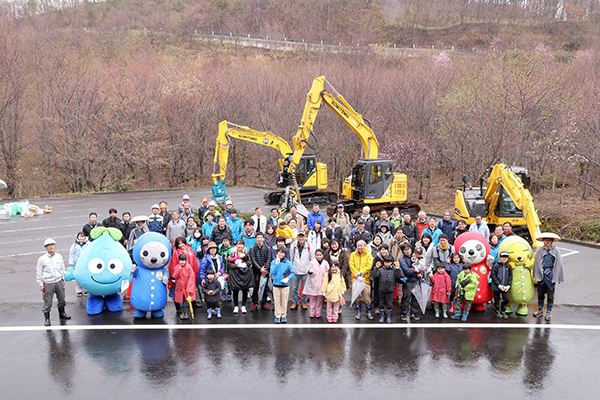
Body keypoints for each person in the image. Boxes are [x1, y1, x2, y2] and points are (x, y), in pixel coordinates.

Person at [37, 238, 70, 326]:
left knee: (62, 299)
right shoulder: (42, 259)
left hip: (58, 280)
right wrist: (41, 284)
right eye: (49, 246)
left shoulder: (59, 256)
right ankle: (47, 318)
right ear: (46, 247)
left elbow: (62, 268)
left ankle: (62, 313)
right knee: (48, 302)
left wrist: (63, 278)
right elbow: (39, 272)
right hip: (48, 282)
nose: (51, 247)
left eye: (52, 245)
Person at [533, 233, 565, 321]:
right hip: (542, 274)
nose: (548, 242)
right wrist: (538, 274)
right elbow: (536, 263)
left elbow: (558, 264)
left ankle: (549, 312)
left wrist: (555, 277)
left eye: (549, 240)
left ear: (552, 241)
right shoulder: (540, 250)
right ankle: (540, 309)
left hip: (551, 274)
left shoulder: (556, 251)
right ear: (544, 241)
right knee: (540, 294)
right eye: (546, 240)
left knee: (550, 295)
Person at [371, 254, 405, 323]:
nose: (387, 264)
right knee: (381, 304)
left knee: (389, 304)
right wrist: (376, 267)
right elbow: (375, 275)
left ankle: (389, 317)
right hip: (381, 289)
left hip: (390, 290)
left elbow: (401, 275)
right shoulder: (380, 270)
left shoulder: (394, 270)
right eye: (386, 262)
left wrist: (398, 268)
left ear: (391, 262)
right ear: (383, 262)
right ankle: (382, 316)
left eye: (389, 262)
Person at [349, 239, 374, 320]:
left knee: (367, 296)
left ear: (365, 246)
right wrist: (356, 274)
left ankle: (368, 311)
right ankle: (358, 311)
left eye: (361, 246)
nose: (360, 247)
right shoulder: (353, 254)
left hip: (365, 279)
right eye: (358, 246)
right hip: (355, 279)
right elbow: (351, 264)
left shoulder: (368, 255)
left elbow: (368, 266)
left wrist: (360, 273)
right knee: (357, 296)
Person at [228, 240, 254, 314]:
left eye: (241, 244)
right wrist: (237, 265)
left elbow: (249, 262)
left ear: (243, 245)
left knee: (245, 290)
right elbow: (230, 264)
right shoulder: (232, 253)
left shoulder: (246, 253)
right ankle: (236, 306)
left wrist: (244, 260)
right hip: (235, 274)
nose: (239, 246)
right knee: (235, 290)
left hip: (245, 274)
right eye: (238, 244)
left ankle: (243, 305)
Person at [270, 246, 295, 324]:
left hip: (285, 285)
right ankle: (277, 315)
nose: (281, 254)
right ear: (277, 253)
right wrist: (276, 264)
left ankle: (284, 315)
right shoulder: (273, 262)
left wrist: (287, 278)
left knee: (284, 300)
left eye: (282, 252)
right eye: (279, 252)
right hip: (276, 285)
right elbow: (272, 272)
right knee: (277, 301)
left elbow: (292, 272)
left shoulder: (287, 263)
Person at [249, 232, 272, 311]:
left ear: (263, 238)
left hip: (265, 271)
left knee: (265, 287)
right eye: (257, 238)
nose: (259, 239)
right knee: (255, 287)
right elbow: (253, 260)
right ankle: (254, 303)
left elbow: (269, 259)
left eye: (260, 237)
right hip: (256, 270)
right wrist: (260, 269)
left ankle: (264, 302)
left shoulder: (268, 248)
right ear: (255, 239)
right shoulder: (252, 249)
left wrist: (265, 269)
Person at [304, 249, 329, 318]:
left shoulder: (325, 263)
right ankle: (312, 312)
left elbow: (328, 271)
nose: (318, 257)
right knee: (312, 298)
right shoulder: (312, 262)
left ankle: (318, 312)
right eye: (317, 255)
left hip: (321, 283)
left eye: (320, 255)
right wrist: (309, 271)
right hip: (313, 283)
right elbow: (307, 270)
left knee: (320, 299)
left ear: (323, 255)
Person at [398, 244, 421, 321]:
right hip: (408, 281)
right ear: (403, 251)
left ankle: (414, 312)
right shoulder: (402, 260)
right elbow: (406, 271)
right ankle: (404, 312)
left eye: (409, 249)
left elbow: (421, 267)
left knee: (416, 298)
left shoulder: (416, 257)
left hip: (416, 281)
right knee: (406, 298)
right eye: (405, 249)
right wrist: (416, 273)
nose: (408, 251)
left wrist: (417, 271)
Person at [290, 231, 311, 310]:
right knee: (294, 287)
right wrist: (292, 268)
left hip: (305, 270)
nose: (301, 238)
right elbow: (291, 258)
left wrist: (310, 269)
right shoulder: (293, 246)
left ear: (305, 237)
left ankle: (303, 301)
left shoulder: (308, 246)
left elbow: (311, 258)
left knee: (305, 288)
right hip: (296, 270)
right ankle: (294, 302)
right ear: (297, 237)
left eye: (302, 237)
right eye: (299, 237)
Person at [172, 253, 196, 320]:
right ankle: (182, 313)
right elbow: (174, 276)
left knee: (187, 301)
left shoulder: (188, 267)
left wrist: (189, 287)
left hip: (186, 288)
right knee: (181, 301)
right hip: (179, 288)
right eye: (181, 260)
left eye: (183, 260)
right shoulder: (177, 267)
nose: (182, 262)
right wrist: (178, 269)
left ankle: (186, 313)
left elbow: (191, 277)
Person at [491, 251, 512, 319]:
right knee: (496, 299)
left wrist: (508, 285)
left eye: (506, 257)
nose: (504, 259)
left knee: (506, 299)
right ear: (500, 258)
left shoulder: (508, 266)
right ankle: (497, 310)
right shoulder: (496, 265)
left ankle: (503, 310)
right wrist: (498, 284)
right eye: (503, 257)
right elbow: (493, 275)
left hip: (505, 286)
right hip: (497, 286)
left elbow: (510, 276)